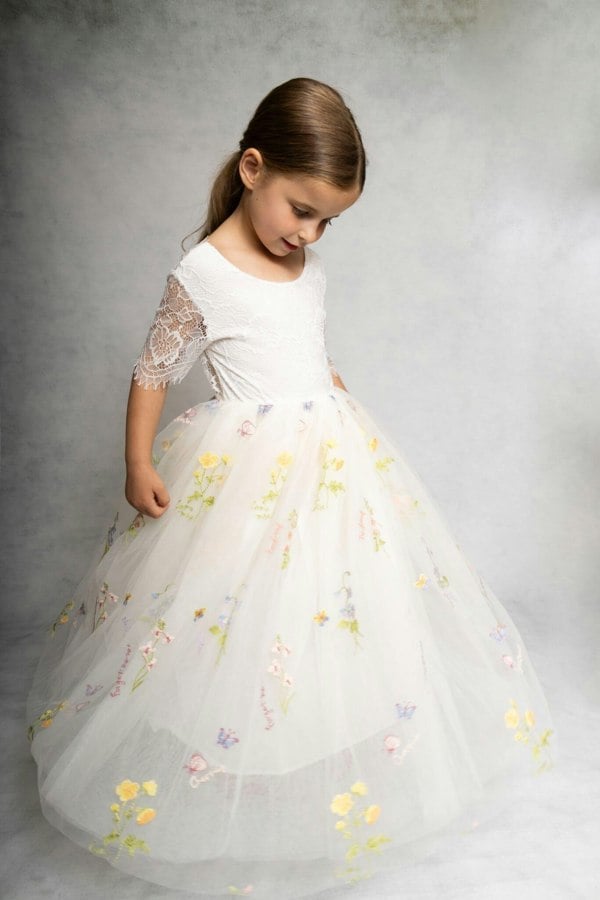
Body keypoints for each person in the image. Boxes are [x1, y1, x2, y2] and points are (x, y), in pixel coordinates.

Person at [26, 77, 557, 899]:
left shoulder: (300, 261)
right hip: (245, 469)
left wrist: (321, 377)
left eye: (326, 222)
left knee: (332, 600)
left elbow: (297, 337)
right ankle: (229, 754)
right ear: (252, 168)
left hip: (329, 451)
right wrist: (138, 463)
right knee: (234, 611)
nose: (309, 233)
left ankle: (314, 748)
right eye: (301, 209)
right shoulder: (202, 271)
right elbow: (154, 370)